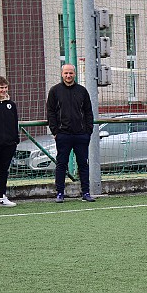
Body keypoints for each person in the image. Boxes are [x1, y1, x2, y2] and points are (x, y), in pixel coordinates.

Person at [47, 64, 95, 203]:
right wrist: (55, 131)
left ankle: (86, 192)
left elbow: (88, 112)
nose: (68, 76)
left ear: (75, 74)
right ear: (62, 74)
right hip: (63, 135)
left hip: (81, 135)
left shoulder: (82, 91)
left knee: (83, 164)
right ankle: (60, 193)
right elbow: (50, 112)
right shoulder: (55, 91)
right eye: (66, 73)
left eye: (71, 73)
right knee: (61, 164)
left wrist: (88, 131)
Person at [0, 76, 19, 207]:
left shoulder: (11, 105)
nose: (3, 90)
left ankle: (1, 196)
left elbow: (15, 123)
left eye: (5, 87)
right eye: (1, 87)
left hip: (9, 144)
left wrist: (15, 139)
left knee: (4, 170)